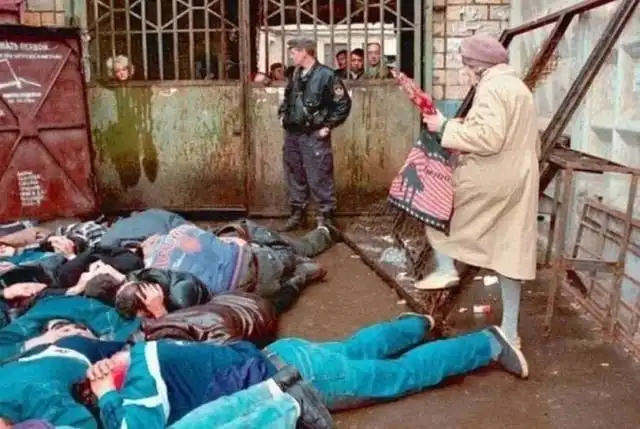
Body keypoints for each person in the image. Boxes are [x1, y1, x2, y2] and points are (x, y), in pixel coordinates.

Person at [417, 33, 540, 348]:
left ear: (476, 66)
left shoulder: (491, 87)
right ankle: (510, 332)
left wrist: (444, 127)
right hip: (521, 178)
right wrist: (459, 126)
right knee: (510, 255)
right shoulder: (518, 87)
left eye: (465, 65)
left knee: (435, 208)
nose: (464, 72)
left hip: (493, 176)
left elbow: (488, 138)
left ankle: (446, 269)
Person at [278, 37, 352, 231]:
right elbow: (287, 99)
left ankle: (326, 218)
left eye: (294, 51)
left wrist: (328, 126)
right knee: (295, 174)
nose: (291, 55)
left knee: (320, 174)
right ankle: (298, 214)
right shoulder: (295, 74)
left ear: (304, 52)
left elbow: (342, 104)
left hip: (313, 134)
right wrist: (283, 115)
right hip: (293, 133)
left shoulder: (326, 75)